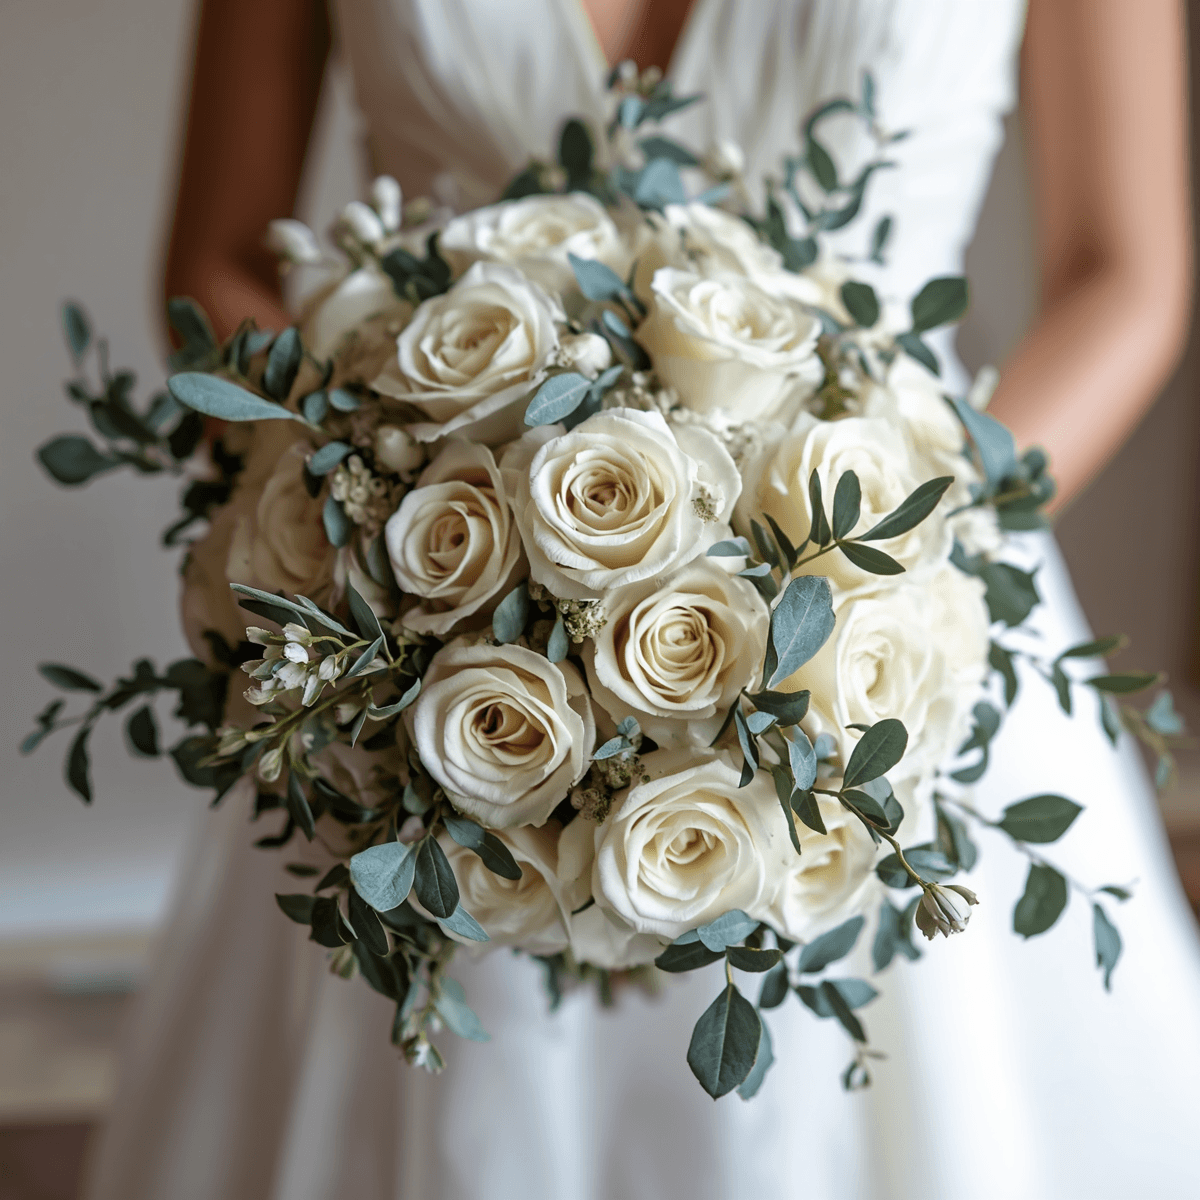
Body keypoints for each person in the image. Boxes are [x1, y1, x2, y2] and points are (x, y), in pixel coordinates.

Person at [88, 2, 1200, 1198]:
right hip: (426, 622)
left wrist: (898, 550)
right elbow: (218, 264)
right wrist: (392, 522)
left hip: (886, 619)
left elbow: (1124, 273)